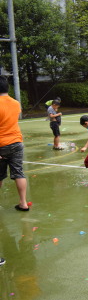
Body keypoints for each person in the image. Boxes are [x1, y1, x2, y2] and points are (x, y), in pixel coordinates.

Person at [0, 76, 29, 211]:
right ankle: (23, 203)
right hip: (16, 142)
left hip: (1, 144)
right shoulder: (16, 103)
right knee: (19, 173)